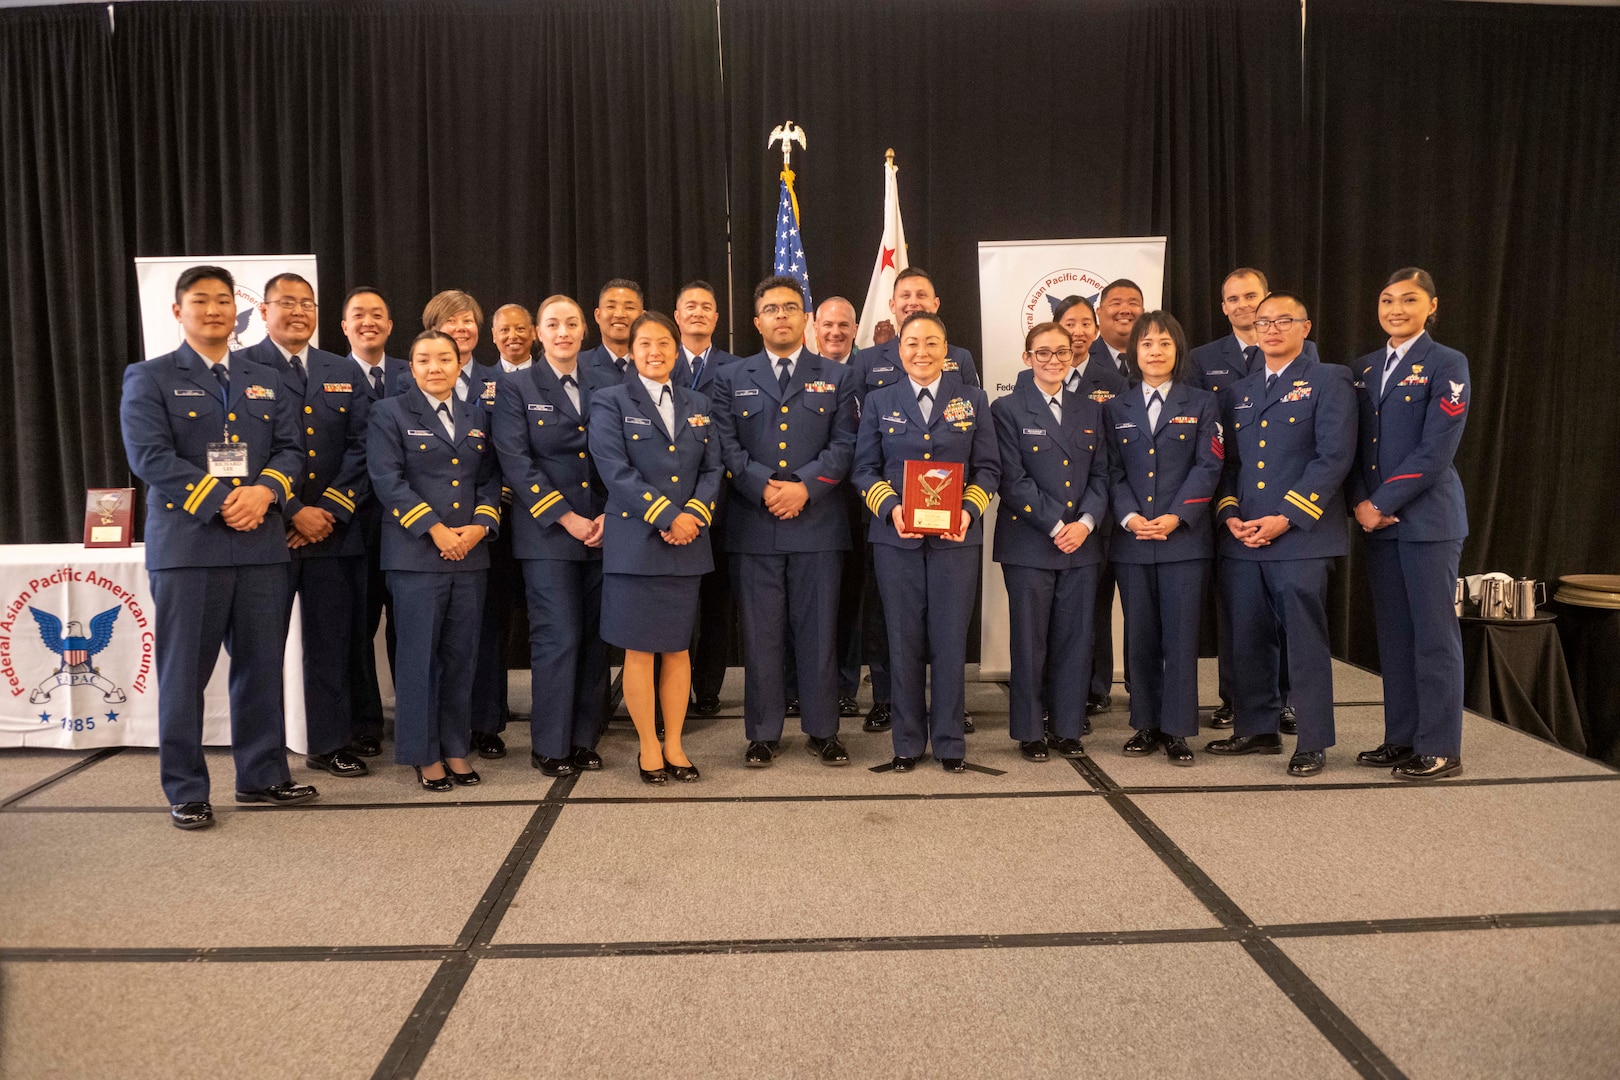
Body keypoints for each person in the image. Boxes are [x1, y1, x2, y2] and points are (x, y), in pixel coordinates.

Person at [120, 265, 316, 829]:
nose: (214, 310)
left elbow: (289, 450)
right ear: (177, 312)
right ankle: (185, 787)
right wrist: (220, 500)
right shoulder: (150, 376)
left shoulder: (265, 377)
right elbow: (150, 457)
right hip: (190, 546)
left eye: (223, 302)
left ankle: (262, 776)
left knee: (260, 667)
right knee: (184, 674)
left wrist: (264, 493)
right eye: (200, 301)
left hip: (260, 545)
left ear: (238, 312)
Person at [712, 275, 859, 766]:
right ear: (756, 322)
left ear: (806, 319)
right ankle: (763, 733)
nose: (781, 315)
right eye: (771, 308)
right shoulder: (731, 377)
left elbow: (845, 446)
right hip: (754, 524)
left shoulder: (837, 376)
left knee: (819, 632)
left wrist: (805, 488)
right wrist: (762, 487)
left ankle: (823, 730)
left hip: (817, 524)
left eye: (791, 307)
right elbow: (724, 446)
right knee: (761, 634)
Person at [1208, 292, 1355, 777]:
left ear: (1305, 327)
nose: (1270, 328)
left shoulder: (1329, 380)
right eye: (1263, 322)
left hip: (1300, 535)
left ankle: (1312, 739)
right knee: (1247, 634)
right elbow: (1229, 465)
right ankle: (1255, 727)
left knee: (1303, 639)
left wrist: (1286, 518)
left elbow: (1333, 458)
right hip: (1245, 534)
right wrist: (1230, 514)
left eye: (1283, 320)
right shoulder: (1239, 393)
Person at [238, 273, 373, 780]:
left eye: (306, 303)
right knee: (262, 650)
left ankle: (329, 742)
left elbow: (364, 446)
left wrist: (330, 511)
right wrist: (293, 508)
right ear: (265, 310)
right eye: (286, 303)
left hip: (333, 532)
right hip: (267, 530)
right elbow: (242, 449)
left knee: (331, 642)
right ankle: (263, 756)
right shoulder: (243, 366)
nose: (297, 311)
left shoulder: (341, 369)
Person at [853, 311, 999, 772]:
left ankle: (951, 744)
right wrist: (892, 508)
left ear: (947, 349)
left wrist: (968, 510)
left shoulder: (973, 400)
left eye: (932, 343)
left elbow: (989, 469)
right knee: (903, 640)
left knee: (951, 642)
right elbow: (863, 470)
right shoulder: (879, 401)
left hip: (956, 541)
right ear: (900, 350)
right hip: (896, 540)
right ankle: (908, 744)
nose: (922, 352)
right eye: (912, 343)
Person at [589, 311, 722, 783]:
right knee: (640, 653)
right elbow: (613, 468)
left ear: (675, 346)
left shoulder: (698, 401)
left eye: (663, 342)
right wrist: (669, 516)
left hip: (686, 545)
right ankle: (648, 745)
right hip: (637, 543)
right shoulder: (609, 401)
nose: (654, 351)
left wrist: (694, 517)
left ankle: (676, 743)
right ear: (631, 350)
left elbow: (712, 469)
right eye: (644, 343)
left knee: (679, 649)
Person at [367, 329, 502, 790]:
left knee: (461, 656)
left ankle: (455, 746)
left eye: (444, 358)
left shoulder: (476, 413)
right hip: (417, 554)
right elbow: (388, 480)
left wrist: (481, 526)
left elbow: (489, 477)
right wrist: (436, 529)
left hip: (469, 553)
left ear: (458, 364)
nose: (435, 367)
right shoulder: (390, 412)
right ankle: (423, 754)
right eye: (424, 359)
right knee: (419, 657)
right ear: (411, 367)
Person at [1348, 269, 1470, 779]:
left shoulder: (1447, 363)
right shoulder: (1364, 368)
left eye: (1409, 300)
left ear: (1431, 305)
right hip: (1378, 522)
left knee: (1433, 635)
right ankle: (1400, 737)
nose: (1396, 308)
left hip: (1427, 519)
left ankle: (1440, 745)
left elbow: (1437, 447)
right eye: (1387, 299)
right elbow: (1351, 446)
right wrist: (1361, 502)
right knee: (1395, 635)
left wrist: (1383, 500)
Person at [1189, 268, 1317, 731]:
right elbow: (1205, 434)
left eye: (1252, 297)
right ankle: (1236, 698)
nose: (1244, 306)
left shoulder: (1311, 360)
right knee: (1237, 613)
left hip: (1290, 509)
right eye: (1234, 299)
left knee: (1286, 617)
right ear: (1223, 307)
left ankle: (1284, 700)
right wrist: (1227, 510)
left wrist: (1291, 511)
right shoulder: (1203, 359)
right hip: (1232, 500)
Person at [493, 295, 613, 777]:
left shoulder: (607, 382)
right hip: (549, 535)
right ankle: (550, 743)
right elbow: (517, 465)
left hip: (603, 531)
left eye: (571, 323)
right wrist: (568, 519)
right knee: (557, 637)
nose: (562, 332)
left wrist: (608, 516)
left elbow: (616, 454)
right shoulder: (515, 387)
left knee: (593, 639)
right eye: (552, 325)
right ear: (539, 334)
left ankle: (584, 737)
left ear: (584, 330)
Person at [1106, 312, 1223, 765]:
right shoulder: (1116, 407)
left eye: (1164, 343)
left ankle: (1177, 730)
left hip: (1183, 542)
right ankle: (1145, 724)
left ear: (1178, 350)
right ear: (1134, 353)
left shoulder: (1202, 403)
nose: (1155, 351)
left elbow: (1208, 466)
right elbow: (1111, 471)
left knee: (1180, 638)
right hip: (1133, 541)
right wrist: (1130, 516)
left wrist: (1178, 516)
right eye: (1146, 344)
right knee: (1141, 637)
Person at [991, 322, 1109, 761]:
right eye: (1043, 353)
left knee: (1076, 639)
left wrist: (1087, 523)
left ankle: (1067, 727)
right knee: (1030, 640)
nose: (1053, 360)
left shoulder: (1091, 410)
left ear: (1074, 357)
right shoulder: (1006, 409)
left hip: (1083, 543)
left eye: (1061, 352)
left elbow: (1102, 475)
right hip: (1031, 543)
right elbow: (1012, 479)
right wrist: (1058, 525)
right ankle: (1029, 731)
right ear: (1027, 358)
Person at [423, 290, 509, 758]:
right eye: (451, 322)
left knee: (486, 624)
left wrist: (482, 519)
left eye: (469, 322)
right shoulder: (410, 380)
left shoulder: (500, 382)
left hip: (489, 521)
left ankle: (485, 722)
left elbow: (503, 456)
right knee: (427, 633)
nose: (461, 329)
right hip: (427, 530)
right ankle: (426, 723)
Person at [1050, 295, 1127, 724]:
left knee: (1098, 605)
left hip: (1103, 514)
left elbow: (1118, 450)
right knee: (1076, 609)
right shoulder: (1038, 377)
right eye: (1069, 323)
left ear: (1096, 331)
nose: (1078, 331)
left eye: (1085, 323)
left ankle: (1097, 687)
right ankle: (1067, 689)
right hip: (1054, 520)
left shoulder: (1111, 380)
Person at [342, 286, 408, 758]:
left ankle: (415, 714)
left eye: (378, 315)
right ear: (344, 325)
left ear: (389, 326)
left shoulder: (414, 370)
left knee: (411, 626)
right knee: (358, 626)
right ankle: (365, 722)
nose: (369, 322)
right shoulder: (329, 374)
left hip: (411, 524)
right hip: (354, 523)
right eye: (358, 315)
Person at [673, 279, 741, 717]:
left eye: (707, 306)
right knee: (674, 604)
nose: (698, 312)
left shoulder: (739, 368)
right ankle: (670, 691)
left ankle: (709, 689)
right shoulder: (653, 361)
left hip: (724, 505)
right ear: (676, 315)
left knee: (718, 603)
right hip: (667, 508)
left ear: (718, 318)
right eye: (689, 306)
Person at [852, 266, 981, 399]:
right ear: (892, 305)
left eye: (921, 295)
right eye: (905, 296)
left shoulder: (961, 358)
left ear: (935, 304)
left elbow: (974, 408)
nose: (913, 302)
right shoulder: (867, 359)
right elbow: (860, 415)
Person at [579, 279, 645, 382]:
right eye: (611, 307)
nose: (619, 314)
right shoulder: (578, 365)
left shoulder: (655, 364)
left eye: (629, 308)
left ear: (642, 317)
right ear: (598, 315)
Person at [1090, 279, 1144, 378]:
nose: (1125, 310)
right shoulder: (1082, 358)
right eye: (1116, 303)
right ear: (1099, 311)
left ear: (1143, 313)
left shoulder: (1156, 358)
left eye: (1133, 304)